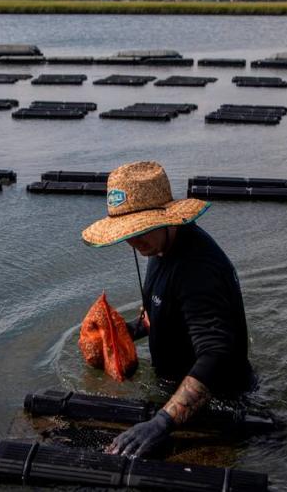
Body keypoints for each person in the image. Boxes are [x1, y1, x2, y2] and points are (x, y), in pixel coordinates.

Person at [81, 160, 255, 457]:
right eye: (127, 232)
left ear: (165, 217)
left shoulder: (197, 268)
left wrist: (161, 423)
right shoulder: (159, 245)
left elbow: (216, 354)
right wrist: (117, 336)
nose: (134, 240)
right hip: (174, 394)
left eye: (141, 229)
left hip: (219, 405)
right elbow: (159, 314)